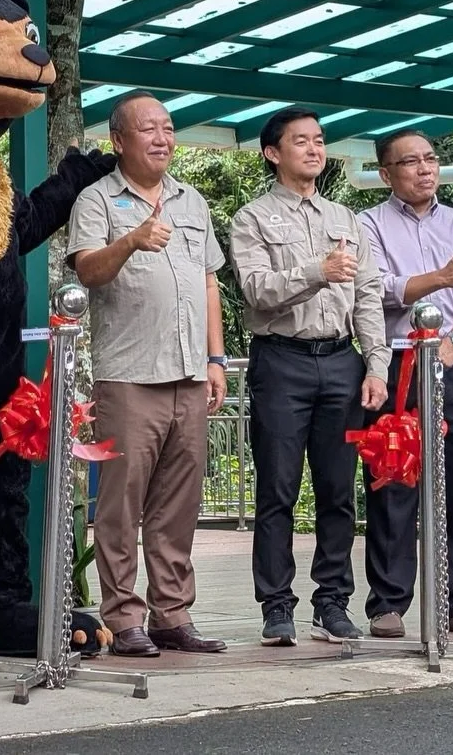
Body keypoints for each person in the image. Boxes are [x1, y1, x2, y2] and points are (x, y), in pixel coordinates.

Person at [66, 92, 228, 657]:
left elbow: (209, 281)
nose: (162, 138)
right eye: (147, 129)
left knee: (179, 503)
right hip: (130, 375)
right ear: (118, 141)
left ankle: (171, 615)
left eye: (168, 127)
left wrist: (216, 359)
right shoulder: (97, 199)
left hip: (190, 373)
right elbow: (87, 269)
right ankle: (123, 618)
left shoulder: (193, 201)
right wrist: (131, 240)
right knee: (121, 503)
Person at [230, 108, 389, 648]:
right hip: (281, 360)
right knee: (276, 488)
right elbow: (256, 290)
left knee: (338, 490)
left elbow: (367, 297)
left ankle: (332, 602)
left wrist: (376, 364)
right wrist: (316, 271)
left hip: (342, 361)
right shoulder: (251, 218)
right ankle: (276, 606)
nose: (314, 149)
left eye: (319, 141)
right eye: (301, 141)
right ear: (273, 153)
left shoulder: (346, 218)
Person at [357, 129, 453, 639]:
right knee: (393, 478)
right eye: (410, 161)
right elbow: (378, 290)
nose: (424, 169)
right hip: (394, 362)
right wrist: (439, 278)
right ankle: (388, 603)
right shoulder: (367, 224)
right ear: (386, 173)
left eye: (430, 158)